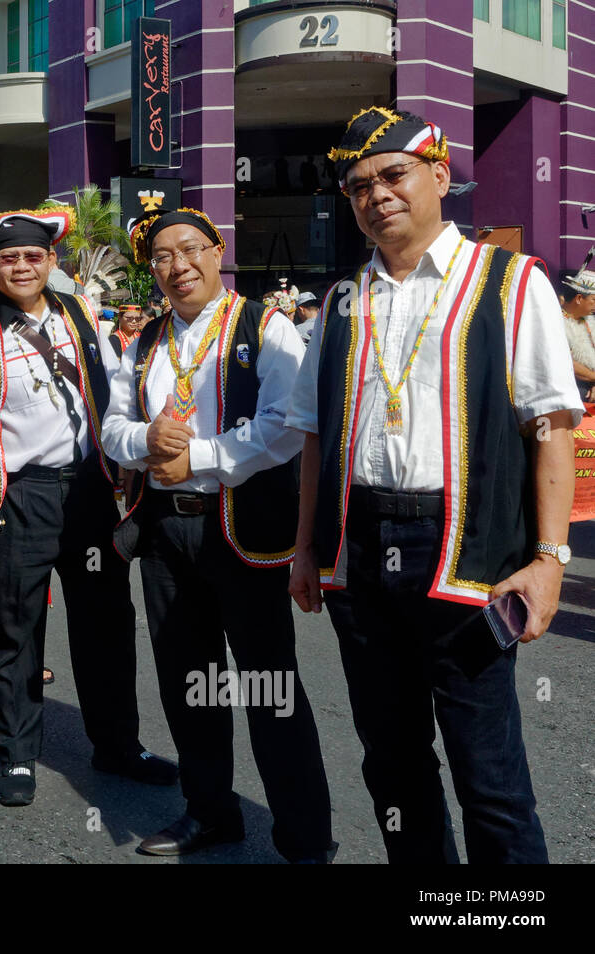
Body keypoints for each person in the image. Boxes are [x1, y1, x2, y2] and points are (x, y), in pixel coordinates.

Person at [287, 106, 584, 863]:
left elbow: (551, 423)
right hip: (361, 549)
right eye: (358, 186)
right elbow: (318, 433)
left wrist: (551, 558)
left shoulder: (511, 281)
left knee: (489, 774)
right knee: (391, 763)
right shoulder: (339, 299)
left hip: (465, 550)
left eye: (393, 175)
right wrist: (302, 546)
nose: (376, 194)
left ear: (440, 177)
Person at [0, 207, 174, 807]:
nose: (22, 265)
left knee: (106, 623)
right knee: (15, 628)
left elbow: (117, 400)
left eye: (33, 255)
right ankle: (16, 755)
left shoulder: (82, 316)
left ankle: (118, 745)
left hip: (89, 492)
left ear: (51, 261)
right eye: (8, 257)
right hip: (21, 495)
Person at [102, 208, 332, 861]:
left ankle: (305, 837)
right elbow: (112, 425)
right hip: (168, 532)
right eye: (163, 258)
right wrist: (143, 440)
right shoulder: (144, 341)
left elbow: (288, 426)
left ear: (216, 250)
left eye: (190, 250)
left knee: (269, 686)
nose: (179, 267)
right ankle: (209, 812)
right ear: (152, 271)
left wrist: (197, 456)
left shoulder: (266, 326)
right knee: (187, 679)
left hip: (243, 531)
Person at [559, 259, 595, 401]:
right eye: (593, 299)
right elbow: (566, 362)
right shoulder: (556, 323)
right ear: (579, 298)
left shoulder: (589, 321)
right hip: (571, 387)